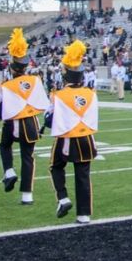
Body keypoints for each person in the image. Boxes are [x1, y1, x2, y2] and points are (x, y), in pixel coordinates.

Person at [0, 29, 50, 205]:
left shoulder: (8, 84)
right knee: (28, 157)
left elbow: (3, 107)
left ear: (12, 66)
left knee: (5, 146)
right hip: (31, 122)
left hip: (13, 123)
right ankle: (27, 195)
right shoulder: (35, 81)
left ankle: (9, 171)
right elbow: (42, 102)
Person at [47, 41, 98, 222]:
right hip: (87, 138)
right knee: (83, 175)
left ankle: (63, 198)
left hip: (68, 138)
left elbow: (49, 120)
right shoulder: (91, 93)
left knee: (55, 166)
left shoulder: (58, 95)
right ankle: (84, 214)